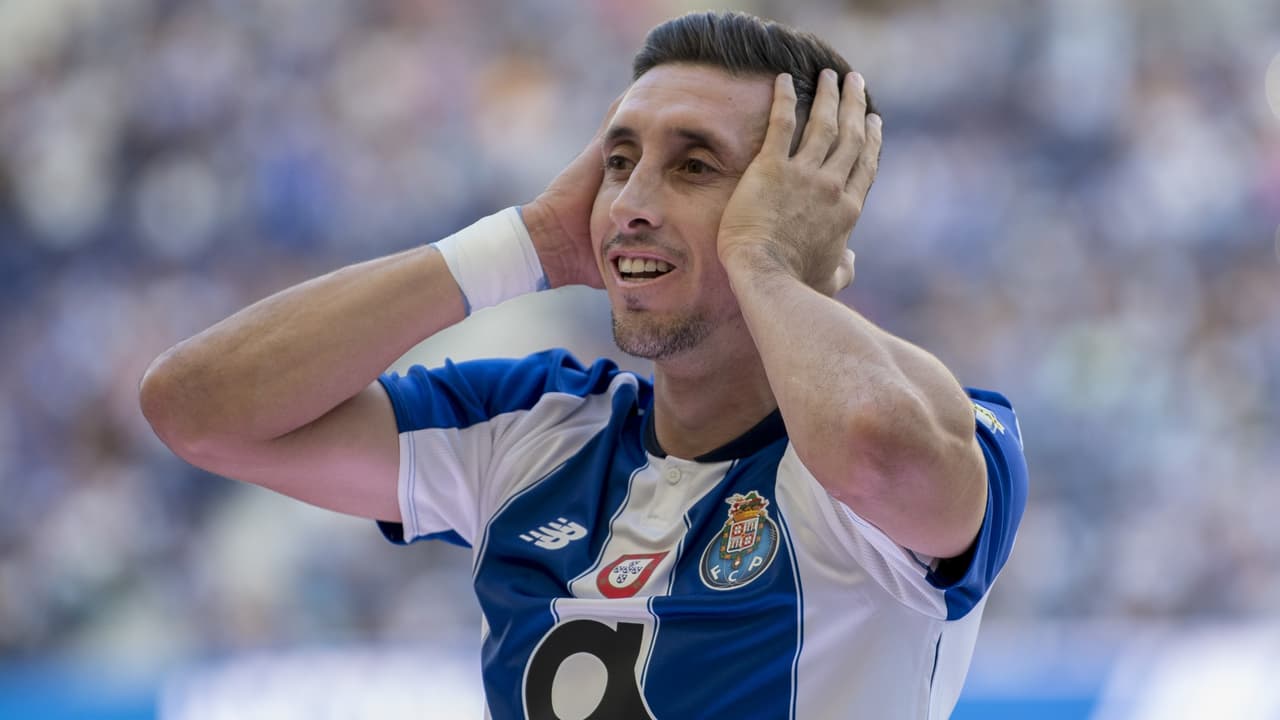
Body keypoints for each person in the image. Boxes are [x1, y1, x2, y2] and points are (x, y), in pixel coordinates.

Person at [140, 10, 1027, 719]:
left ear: (802, 208)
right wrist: (524, 242)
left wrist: (766, 261)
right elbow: (195, 408)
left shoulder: (952, 432)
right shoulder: (534, 424)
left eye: (694, 166)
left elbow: (877, 450)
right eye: (618, 161)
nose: (629, 202)